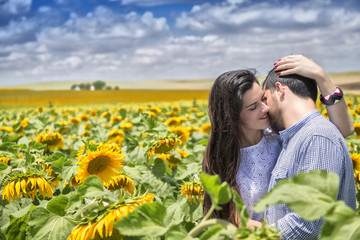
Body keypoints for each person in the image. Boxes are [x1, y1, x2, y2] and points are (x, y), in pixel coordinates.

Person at [202, 55, 354, 227]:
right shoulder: (222, 155)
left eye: (263, 99)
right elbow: (231, 219)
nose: (265, 107)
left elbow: (341, 130)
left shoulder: (279, 133)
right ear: (233, 116)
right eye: (253, 106)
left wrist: (322, 77)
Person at [258, 56, 356, 239]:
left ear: (279, 89)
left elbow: (308, 224)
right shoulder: (297, 137)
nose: (264, 108)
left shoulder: (316, 137)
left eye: (265, 98)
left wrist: (254, 233)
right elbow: (346, 129)